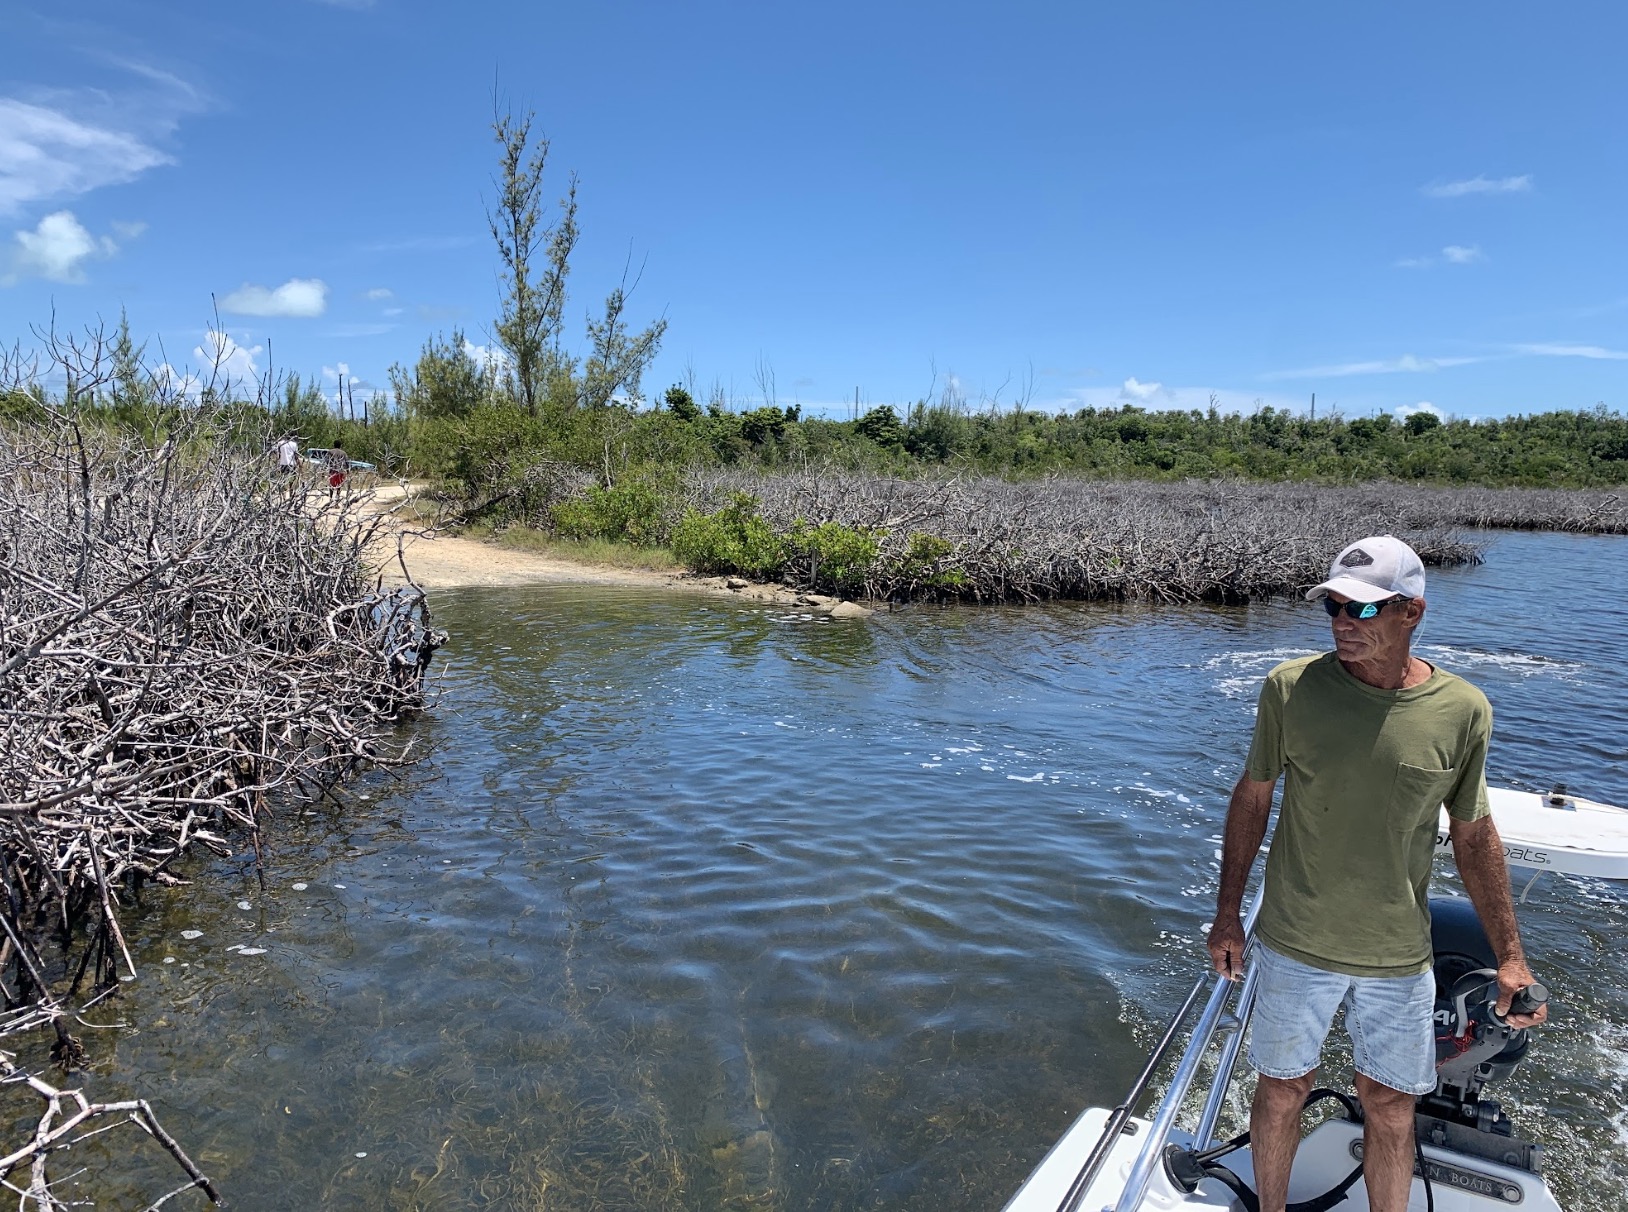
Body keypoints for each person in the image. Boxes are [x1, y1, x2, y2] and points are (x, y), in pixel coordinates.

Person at [1206, 535, 1547, 1212]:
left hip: (1397, 955)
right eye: (1333, 606)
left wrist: (1511, 956)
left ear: (1411, 613)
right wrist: (1227, 915)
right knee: (1281, 1089)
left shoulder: (1463, 711)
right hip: (1296, 941)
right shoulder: (1290, 689)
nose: (1341, 622)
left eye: (1361, 610)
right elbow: (1253, 795)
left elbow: (1475, 833)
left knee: (1391, 1107)